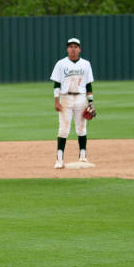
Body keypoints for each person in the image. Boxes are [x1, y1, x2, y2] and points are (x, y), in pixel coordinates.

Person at [50, 38, 95, 169]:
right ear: (67, 49)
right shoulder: (61, 64)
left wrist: (91, 102)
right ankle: (59, 160)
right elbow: (57, 84)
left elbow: (88, 85)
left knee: (81, 128)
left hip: (81, 98)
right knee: (63, 129)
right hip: (65, 98)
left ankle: (83, 156)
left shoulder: (86, 64)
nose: (73, 49)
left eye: (75, 46)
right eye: (70, 46)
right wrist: (56, 100)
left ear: (79, 49)